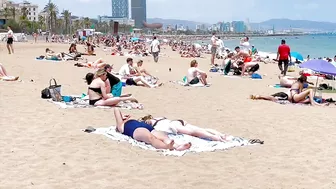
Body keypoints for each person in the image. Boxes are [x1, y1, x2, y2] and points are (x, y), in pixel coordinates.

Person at [114, 108, 191, 151]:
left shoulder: (131, 121)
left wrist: (125, 116)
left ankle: (177, 146)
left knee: (164, 137)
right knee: (151, 138)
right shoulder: (121, 126)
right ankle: (166, 147)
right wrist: (121, 116)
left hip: (147, 127)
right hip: (136, 129)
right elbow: (116, 109)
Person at [139, 115, 228, 142]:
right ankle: (220, 134)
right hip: (177, 121)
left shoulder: (154, 123)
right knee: (199, 129)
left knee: (193, 132)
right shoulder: (158, 119)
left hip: (173, 125)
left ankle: (215, 137)